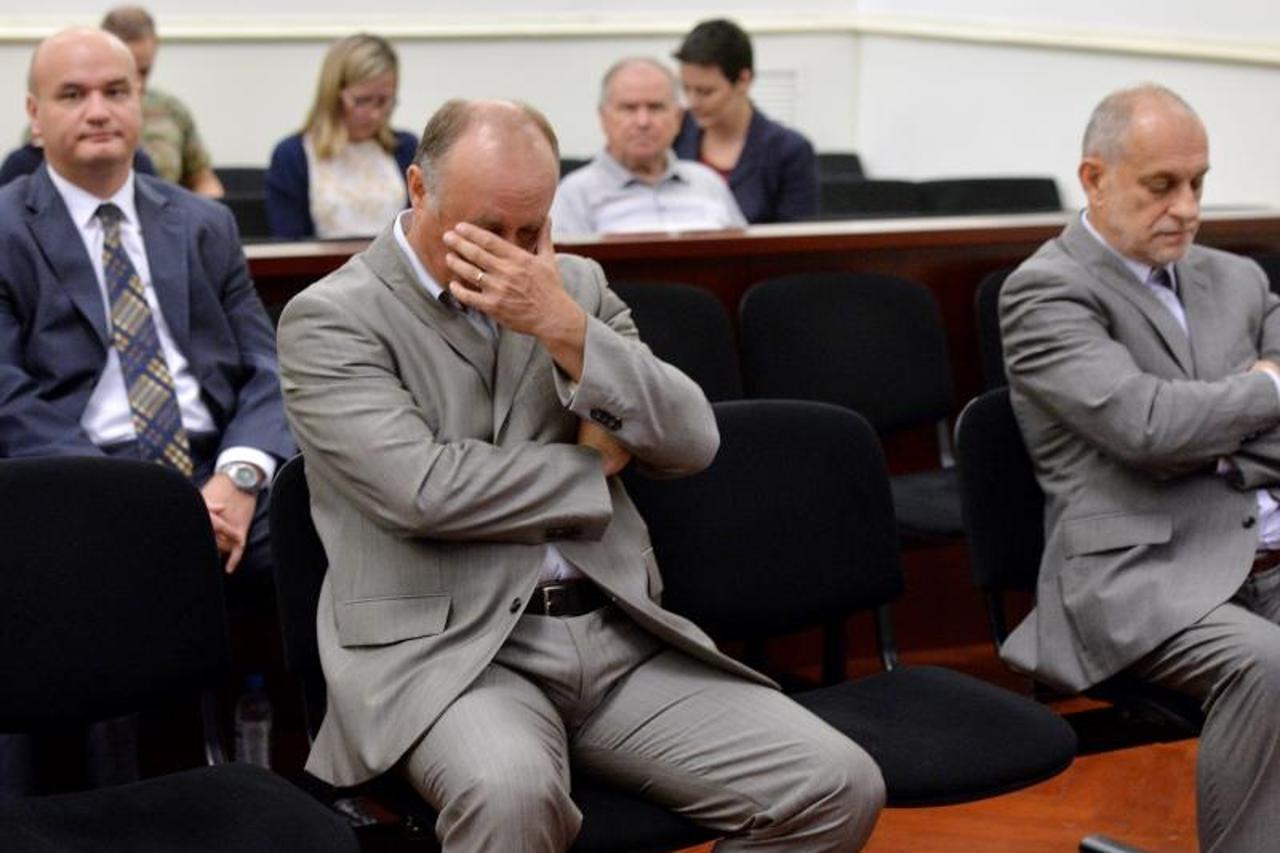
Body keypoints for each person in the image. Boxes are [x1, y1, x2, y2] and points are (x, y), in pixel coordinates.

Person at [277, 98, 884, 852]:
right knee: (511, 796)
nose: (511, 256)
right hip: (453, 657)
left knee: (835, 783)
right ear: (419, 189)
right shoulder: (332, 318)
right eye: (486, 230)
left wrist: (560, 324)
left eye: (530, 231)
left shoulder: (573, 287)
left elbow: (691, 437)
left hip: (616, 635)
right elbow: (424, 490)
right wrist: (594, 463)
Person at [1000, 83, 1280, 852]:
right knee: (1268, 664)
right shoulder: (1045, 291)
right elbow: (1146, 426)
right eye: (1162, 185)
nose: (1187, 208)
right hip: (1139, 571)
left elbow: (1173, 426)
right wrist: (1265, 390)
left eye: (1198, 183)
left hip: (1260, 548)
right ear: (1094, 179)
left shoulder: (1237, 278)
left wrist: (1212, 424)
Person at [0, 27, 293, 581]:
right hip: (77, 475)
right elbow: (9, 401)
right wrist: (138, 499)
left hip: (218, 472)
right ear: (35, 116)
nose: (98, 111)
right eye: (72, 95)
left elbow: (266, 367)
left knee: (332, 526)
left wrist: (239, 477)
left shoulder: (207, 224)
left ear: (139, 99)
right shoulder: (7, 229)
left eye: (116, 91)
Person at [551, 58, 746, 237]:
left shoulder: (708, 184)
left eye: (655, 107)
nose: (643, 122)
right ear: (603, 118)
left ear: (678, 118)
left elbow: (745, 255)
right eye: (629, 108)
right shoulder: (574, 195)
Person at [264, 33, 416, 239]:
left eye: (384, 101)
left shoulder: (406, 148)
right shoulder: (292, 156)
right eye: (362, 101)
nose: (374, 114)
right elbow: (288, 243)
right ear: (333, 95)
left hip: (395, 261)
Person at [672, 18, 817, 224]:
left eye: (706, 92)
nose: (692, 102)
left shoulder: (788, 151)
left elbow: (796, 236)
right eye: (686, 89)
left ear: (743, 80)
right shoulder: (674, 133)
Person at [101, 6, 224, 198]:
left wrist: (209, 209)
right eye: (127, 72)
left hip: (167, 211)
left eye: (144, 71)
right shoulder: (87, 114)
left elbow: (203, 179)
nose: (137, 84)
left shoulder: (171, 110)